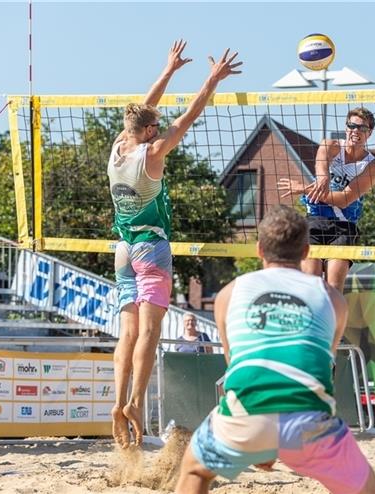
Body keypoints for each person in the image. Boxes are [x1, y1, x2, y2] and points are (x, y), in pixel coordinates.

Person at [174, 205, 375, 494]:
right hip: (310, 420)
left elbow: (234, 367)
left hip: (248, 413)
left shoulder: (228, 294)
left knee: (194, 470)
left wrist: (261, 442)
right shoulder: (333, 299)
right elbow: (323, 368)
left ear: (259, 250)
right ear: (307, 251)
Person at [109, 40, 242, 449]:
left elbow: (142, 108)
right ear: (150, 131)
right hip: (151, 249)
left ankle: (116, 403)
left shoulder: (119, 146)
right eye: (155, 125)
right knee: (150, 332)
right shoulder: (153, 152)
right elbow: (189, 115)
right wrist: (211, 79)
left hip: (122, 250)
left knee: (126, 335)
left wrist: (167, 70)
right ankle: (134, 403)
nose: (159, 127)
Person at [277, 107, 375, 293]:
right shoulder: (330, 145)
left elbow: (344, 200)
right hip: (315, 221)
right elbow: (321, 166)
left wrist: (303, 188)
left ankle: (334, 321)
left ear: (369, 133)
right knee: (311, 283)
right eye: (352, 125)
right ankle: (310, 320)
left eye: (362, 128)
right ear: (346, 126)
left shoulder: (371, 165)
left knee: (333, 288)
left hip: (344, 226)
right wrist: (323, 177)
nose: (356, 131)